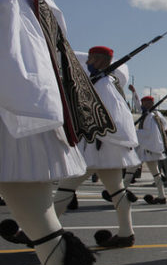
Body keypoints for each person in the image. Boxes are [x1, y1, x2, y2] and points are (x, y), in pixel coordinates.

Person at [0, 0, 98, 265]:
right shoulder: (32, 4)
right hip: (19, 126)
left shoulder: (14, 3)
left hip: (14, 127)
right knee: (42, 227)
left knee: (42, 227)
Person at [49, 47, 141, 248]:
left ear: (99, 60)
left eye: (91, 58)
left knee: (66, 187)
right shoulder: (104, 81)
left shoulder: (104, 84)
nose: (88, 61)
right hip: (105, 150)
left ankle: (44, 233)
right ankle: (126, 234)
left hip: (97, 147)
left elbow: (112, 119)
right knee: (117, 192)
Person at [126, 87, 167, 204]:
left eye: (145, 103)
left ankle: (120, 193)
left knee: (131, 170)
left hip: (147, 148)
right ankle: (161, 196)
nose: (143, 105)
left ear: (150, 103)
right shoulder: (154, 114)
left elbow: (150, 133)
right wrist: (134, 92)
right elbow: (165, 126)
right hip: (148, 148)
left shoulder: (151, 116)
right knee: (156, 174)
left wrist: (133, 133)